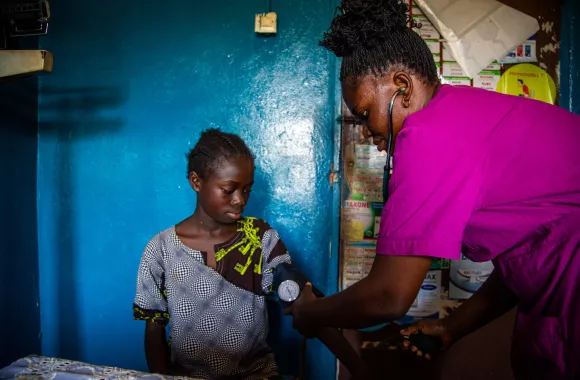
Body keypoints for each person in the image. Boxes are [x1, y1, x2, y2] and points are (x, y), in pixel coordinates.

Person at [285, 0, 580, 378]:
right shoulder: (461, 114)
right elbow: (526, 258)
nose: (367, 131)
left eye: (364, 113)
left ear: (402, 87)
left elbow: (389, 295)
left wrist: (310, 312)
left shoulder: (428, 137)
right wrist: (452, 328)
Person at [133, 129, 367, 380]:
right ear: (196, 181)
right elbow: (154, 328)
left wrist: (357, 367)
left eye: (246, 190)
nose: (239, 200)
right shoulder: (161, 248)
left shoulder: (260, 238)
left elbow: (303, 303)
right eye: (228, 189)